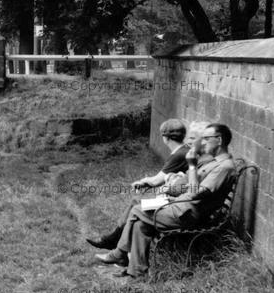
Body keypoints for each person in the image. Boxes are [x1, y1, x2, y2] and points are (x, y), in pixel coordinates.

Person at [94, 123, 236, 279]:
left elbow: (195, 194)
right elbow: (190, 189)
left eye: (206, 139)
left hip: (188, 214)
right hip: (180, 207)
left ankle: (119, 253)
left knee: (137, 210)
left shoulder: (224, 167)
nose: (202, 142)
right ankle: (137, 273)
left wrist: (192, 165)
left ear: (220, 140)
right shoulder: (215, 163)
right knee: (140, 224)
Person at [85, 119, 190, 250]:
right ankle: (115, 239)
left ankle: (114, 240)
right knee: (137, 200)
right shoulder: (185, 150)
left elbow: (157, 180)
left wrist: (141, 182)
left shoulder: (178, 155)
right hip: (182, 197)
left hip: (178, 203)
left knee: (137, 201)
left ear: (165, 137)